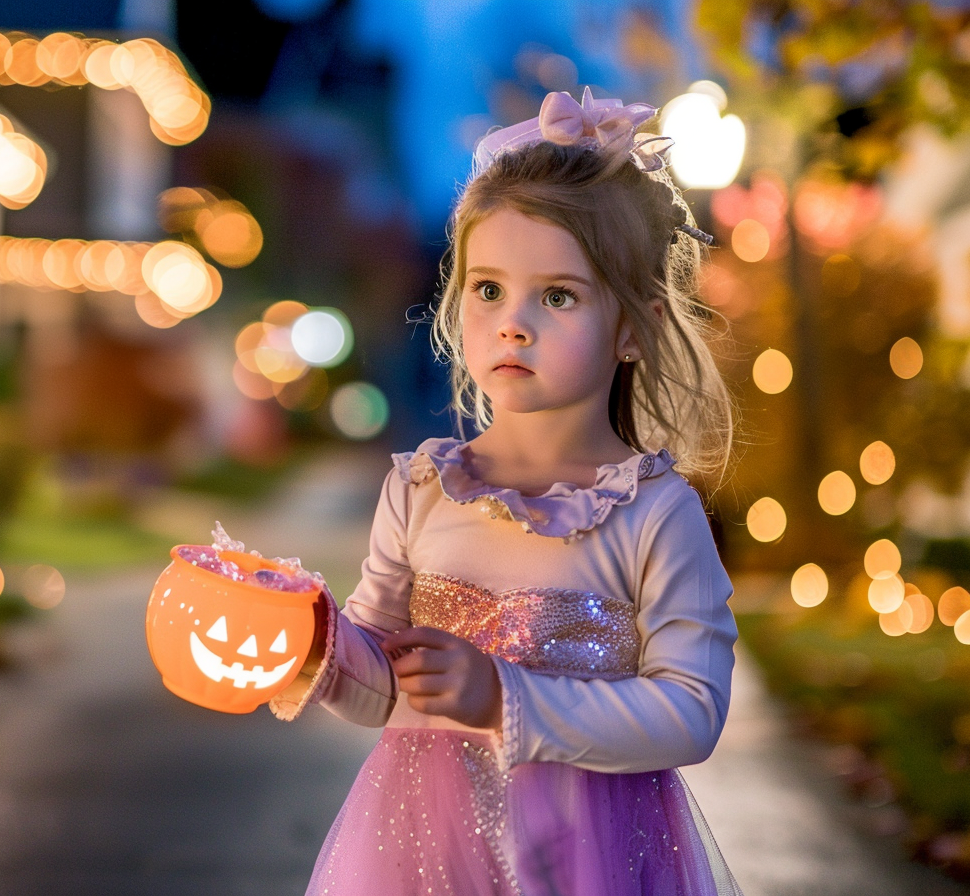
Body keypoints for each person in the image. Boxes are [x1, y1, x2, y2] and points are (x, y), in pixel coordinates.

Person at [269, 88, 743, 896]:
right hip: (421, 850)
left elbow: (691, 710)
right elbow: (380, 685)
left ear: (636, 327)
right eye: (489, 289)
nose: (512, 322)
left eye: (557, 296)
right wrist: (306, 648)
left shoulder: (651, 514)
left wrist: (502, 695)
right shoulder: (421, 491)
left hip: (590, 856)